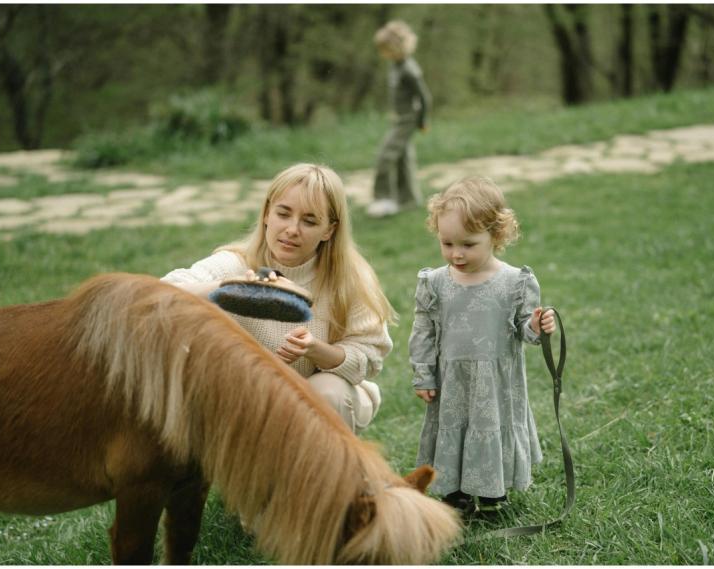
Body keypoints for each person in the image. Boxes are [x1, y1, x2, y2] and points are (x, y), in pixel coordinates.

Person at [162, 163, 396, 434]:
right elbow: (161, 295)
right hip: (248, 396)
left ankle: (327, 474)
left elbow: (368, 357)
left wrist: (315, 349)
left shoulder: (348, 279)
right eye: (283, 214)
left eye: (309, 221)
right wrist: (229, 288)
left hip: (317, 395)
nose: (292, 229)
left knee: (327, 392)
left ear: (329, 230)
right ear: (266, 214)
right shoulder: (235, 265)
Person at [408, 176, 556, 515]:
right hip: (452, 381)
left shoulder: (514, 282)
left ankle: (492, 489)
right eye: (447, 243)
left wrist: (536, 325)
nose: (456, 254)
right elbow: (424, 330)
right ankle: (454, 493)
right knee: (454, 428)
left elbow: (524, 329)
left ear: (497, 234)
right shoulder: (434, 283)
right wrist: (424, 373)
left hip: (496, 383)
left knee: (490, 426)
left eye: (468, 244)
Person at [366, 20, 432, 218]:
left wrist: (422, 121)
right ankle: (409, 199)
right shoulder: (395, 66)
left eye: (385, 49)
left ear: (396, 47)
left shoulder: (410, 70)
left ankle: (384, 199)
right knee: (403, 158)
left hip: (408, 121)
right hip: (398, 119)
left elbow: (425, 98)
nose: (383, 54)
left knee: (385, 157)